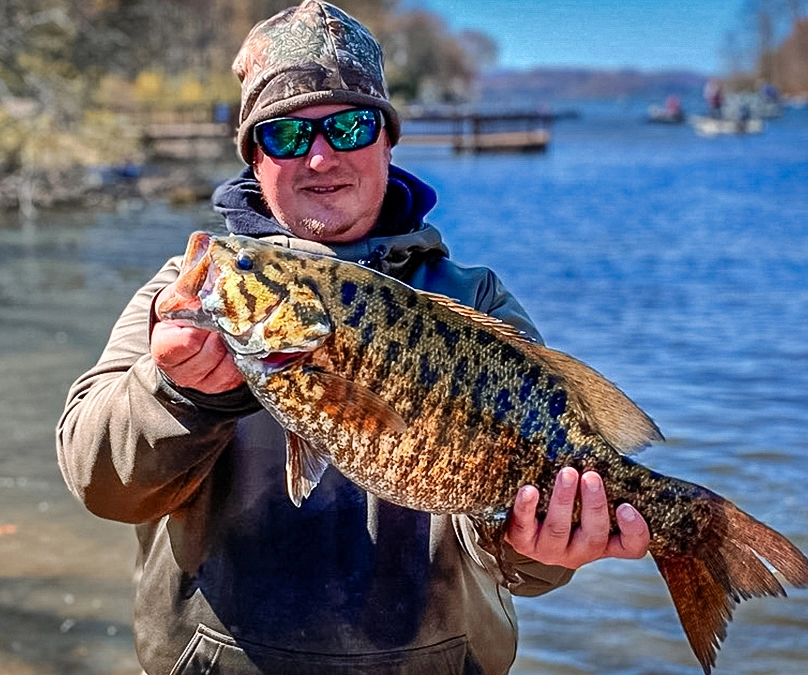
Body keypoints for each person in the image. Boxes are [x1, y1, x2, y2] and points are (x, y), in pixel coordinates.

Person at [57, 2, 650, 673]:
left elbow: (520, 564)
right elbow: (100, 482)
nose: (319, 155)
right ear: (254, 156)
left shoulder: (475, 303)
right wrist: (179, 394)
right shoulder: (186, 296)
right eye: (285, 134)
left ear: (387, 140)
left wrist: (543, 550)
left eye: (348, 125)